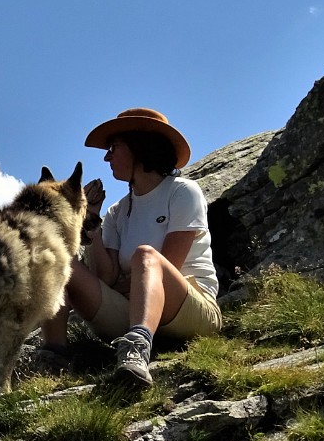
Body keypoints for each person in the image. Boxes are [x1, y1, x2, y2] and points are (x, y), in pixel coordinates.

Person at [39, 107, 222, 386]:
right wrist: (91, 223)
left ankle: (136, 350)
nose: (107, 156)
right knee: (57, 259)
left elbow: (166, 267)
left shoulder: (183, 191)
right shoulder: (116, 211)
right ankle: (53, 355)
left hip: (191, 311)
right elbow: (105, 279)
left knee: (146, 255)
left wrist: (132, 280)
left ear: (140, 146)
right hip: (133, 310)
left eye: (114, 147)